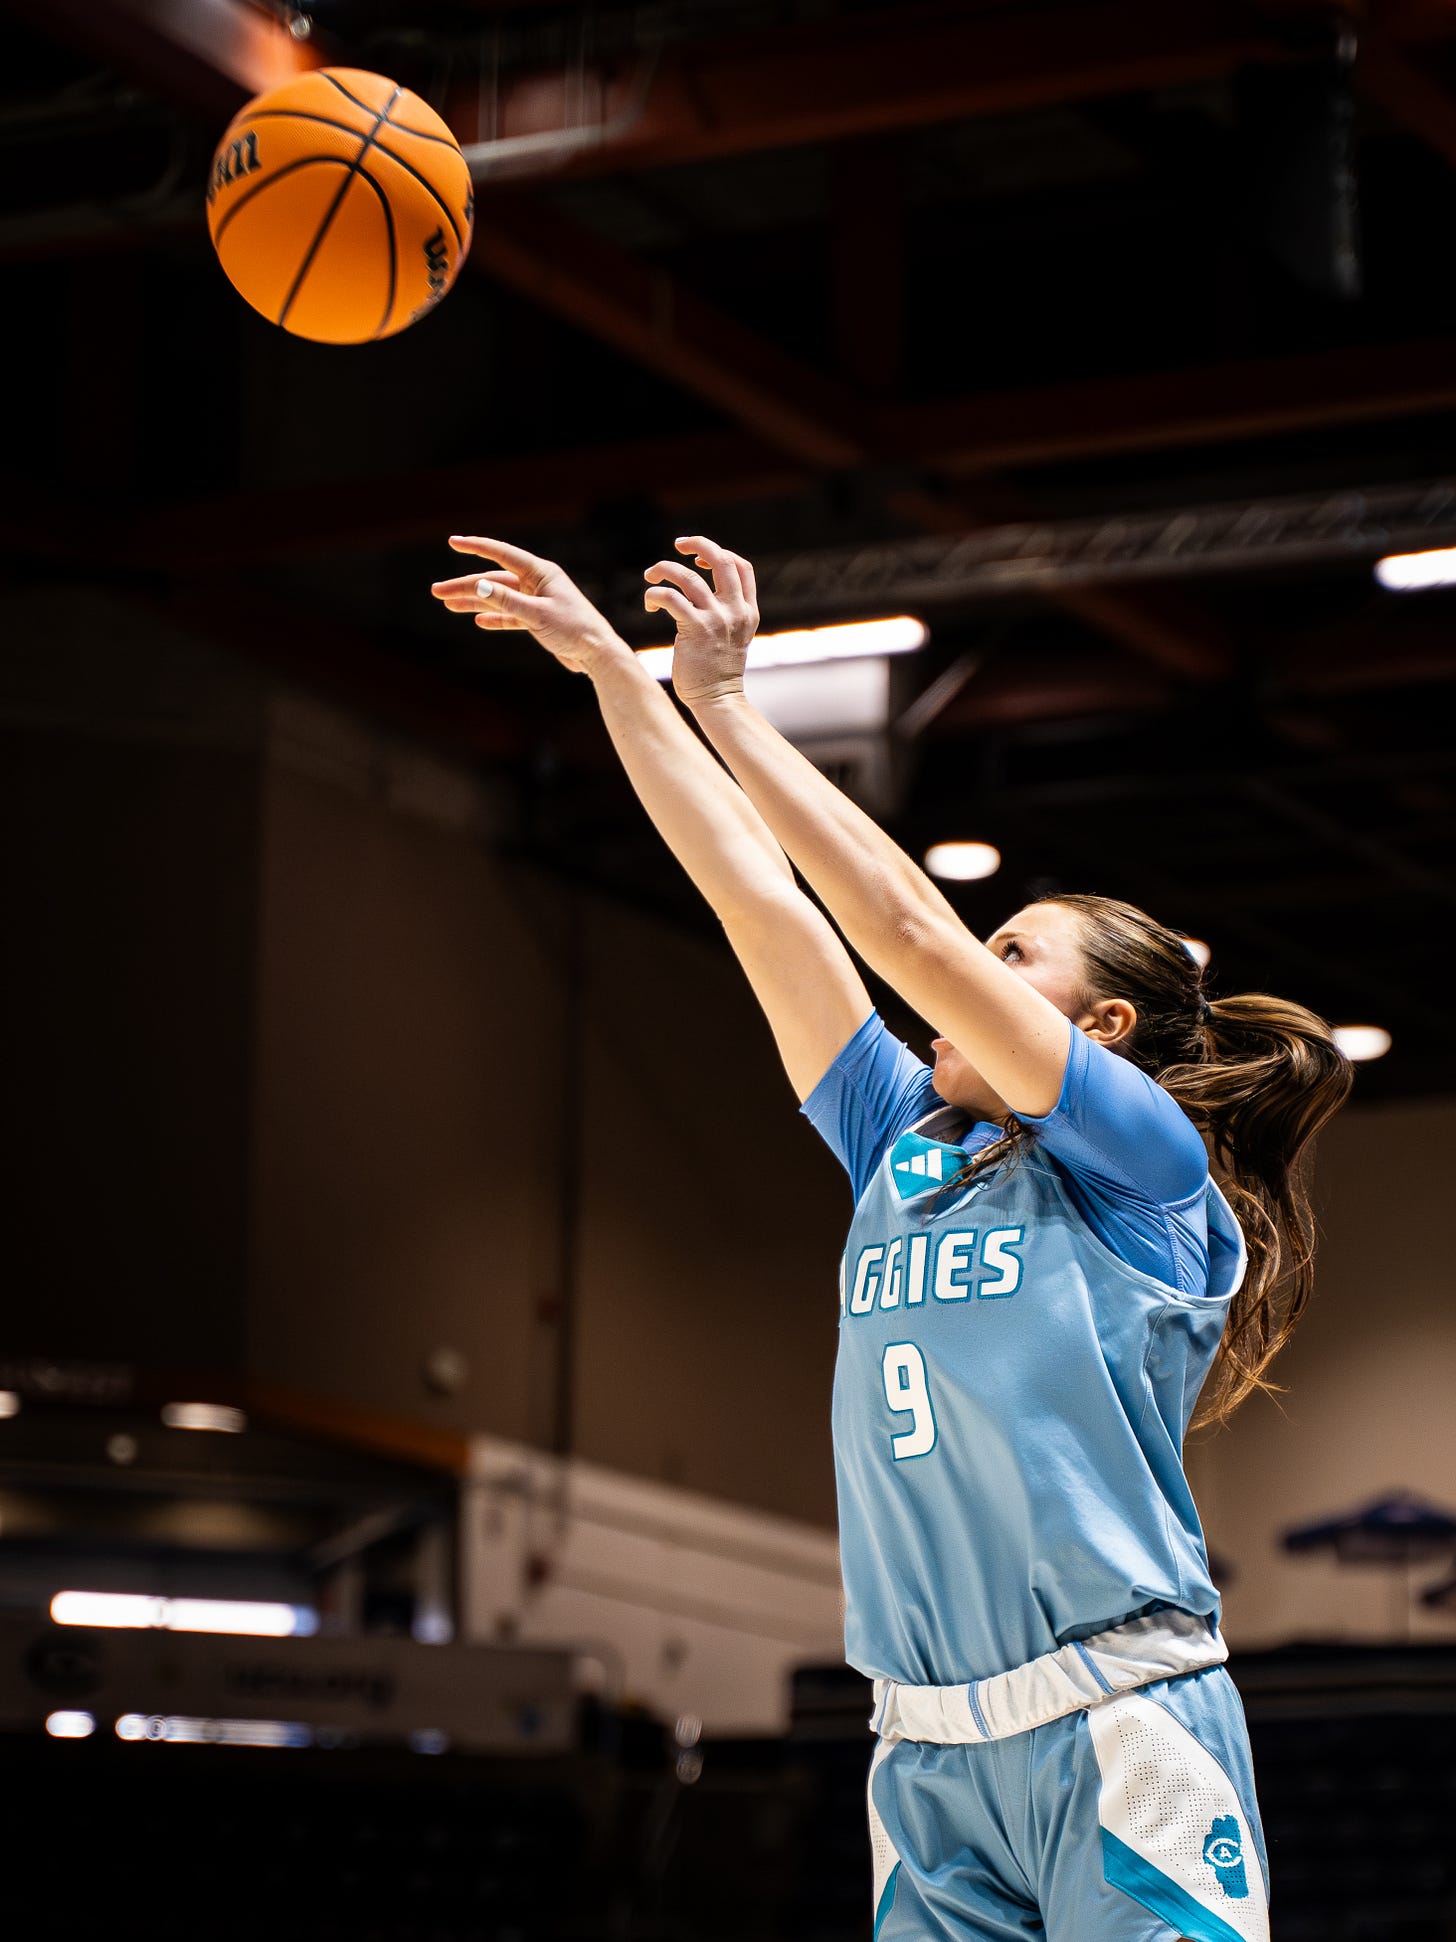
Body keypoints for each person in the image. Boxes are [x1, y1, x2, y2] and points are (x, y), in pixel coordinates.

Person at [431, 533, 1353, 1942]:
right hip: (922, 1745)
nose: (970, 973)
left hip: (1122, 1716)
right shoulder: (897, 1139)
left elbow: (911, 932)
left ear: (1100, 1028)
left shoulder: (1149, 1163)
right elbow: (755, 896)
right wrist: (614, 673)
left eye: (1013, 956)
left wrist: (726, 702)